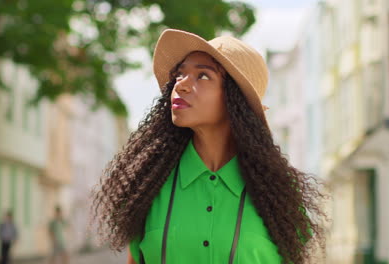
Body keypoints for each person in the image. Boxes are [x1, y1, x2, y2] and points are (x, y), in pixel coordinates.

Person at [92, 29, 327, 264]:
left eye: (203, 76)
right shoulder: (148, 185)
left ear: (235, 99)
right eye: (180, 74)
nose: (181, 85)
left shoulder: (279, 193)